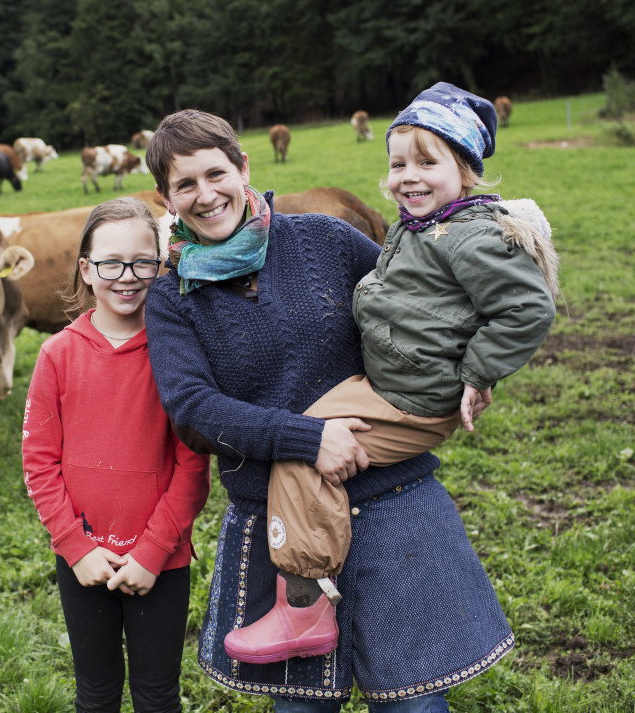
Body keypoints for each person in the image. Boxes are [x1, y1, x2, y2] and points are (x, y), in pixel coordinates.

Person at [142, 103, 522, 712]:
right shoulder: (172, 297)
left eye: (216, 174)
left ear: (243, 167)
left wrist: (480, 360)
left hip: (390, 503)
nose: (205, 195)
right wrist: (305, 438)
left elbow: (423, 306)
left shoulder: (323, 239)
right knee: (302, 707)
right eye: (184, 184)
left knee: (412, 704)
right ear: (166, 198)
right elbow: (191, 409)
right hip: (281, 520)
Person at [226, 82, 560, 665]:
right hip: (386, 383)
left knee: (300, 452)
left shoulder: (471, 235)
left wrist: (478, 373)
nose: (409, 176)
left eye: (428, 162)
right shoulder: (417, 225)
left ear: (467, 170)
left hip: (416, 398)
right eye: (398, 163)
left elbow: (528, 308)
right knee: (304, 428)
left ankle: (304, 608)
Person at [22, 196, 211, 713]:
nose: (127, 276)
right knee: (97, 693)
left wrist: (152, 554)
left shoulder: (177, 353)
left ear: (161, 263)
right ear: (86, 268)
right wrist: (75, 547)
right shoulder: (57, 354)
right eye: (110, 263)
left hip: (160, 562)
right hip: (83, 561)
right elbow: (39, 462)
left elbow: (194, 467)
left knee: (156, 695)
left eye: (142, 262)